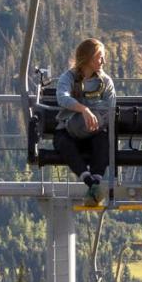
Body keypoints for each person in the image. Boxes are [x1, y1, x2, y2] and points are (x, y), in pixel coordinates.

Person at [54, 38, 116, 204]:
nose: (103, 61)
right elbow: (62, 97)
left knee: (102, 141)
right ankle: (93, 184)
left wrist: (97, 116)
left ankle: (92, 183)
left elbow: (111, 107)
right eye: (99, 57)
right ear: (88, 58)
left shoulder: (105, 82)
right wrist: (83, 109)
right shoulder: (69, 78)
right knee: (64, 143)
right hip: (69, 130)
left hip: (94, 132)